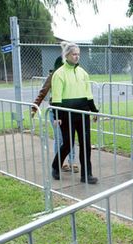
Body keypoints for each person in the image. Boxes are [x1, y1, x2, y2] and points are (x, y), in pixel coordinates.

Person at [51, 41, 98, 184]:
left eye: (78, 54)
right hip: (66, 114)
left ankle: (86, 175)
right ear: (67, 55)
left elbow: (88, 94)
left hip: (83, 113)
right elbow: (57, 96)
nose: (76, 57)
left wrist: (94, 110)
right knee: (67, 143)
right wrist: (58, 115)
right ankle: (55, 166)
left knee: (86, 143)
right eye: (74, 54)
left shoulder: (83, 73)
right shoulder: (59, 74)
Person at [32, 56, 78, 173]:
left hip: (70, 112)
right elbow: (43, 92)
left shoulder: (73, 75)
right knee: (60, 138)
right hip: (56, 112)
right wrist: (34, 108)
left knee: (70, 138)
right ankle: (59, 163)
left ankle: (72, 162)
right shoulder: (53, 76)